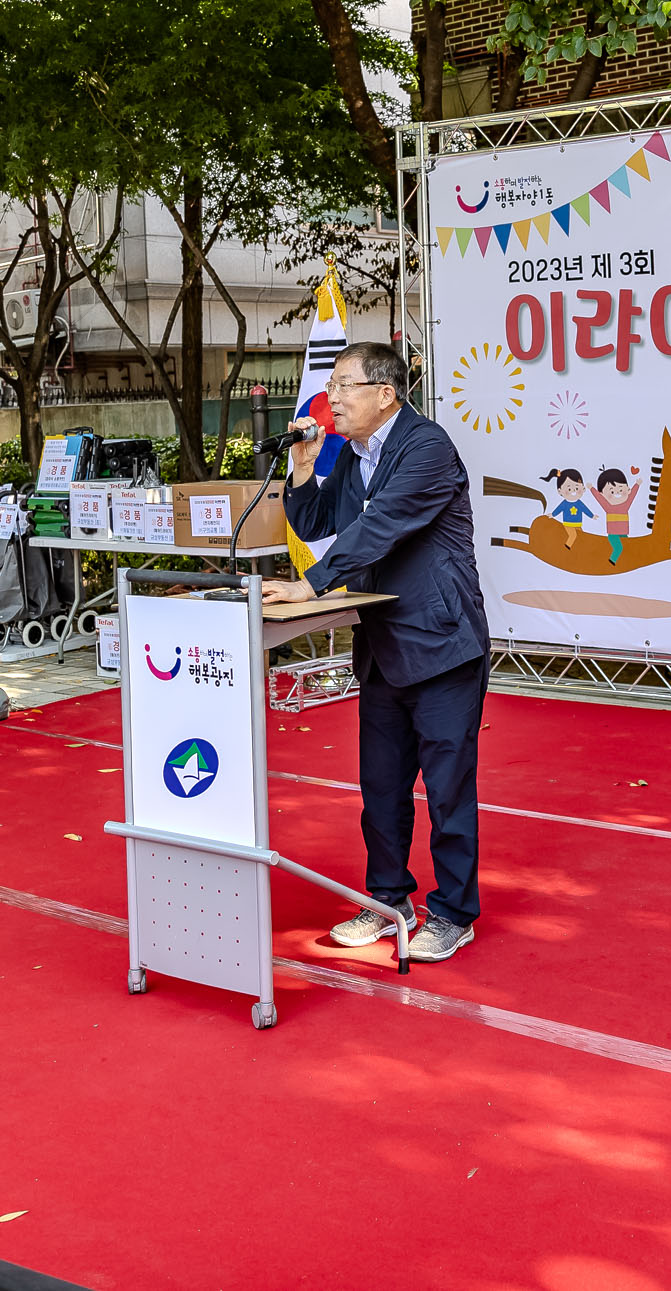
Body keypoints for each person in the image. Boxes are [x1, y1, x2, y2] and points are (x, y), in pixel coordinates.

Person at [262, 341, 489, 964]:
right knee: (381, 787)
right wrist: (305, 467)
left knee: (447, 787)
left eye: (343, 386)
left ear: (385, 394)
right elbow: (313, 523)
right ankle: (390, 900)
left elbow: (381, 525)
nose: (330, 398)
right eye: (331, 387)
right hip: (385, 643)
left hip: (442, 643)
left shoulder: (426, 448)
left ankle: (452, 912)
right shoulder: (355, 458)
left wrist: (311, 585)